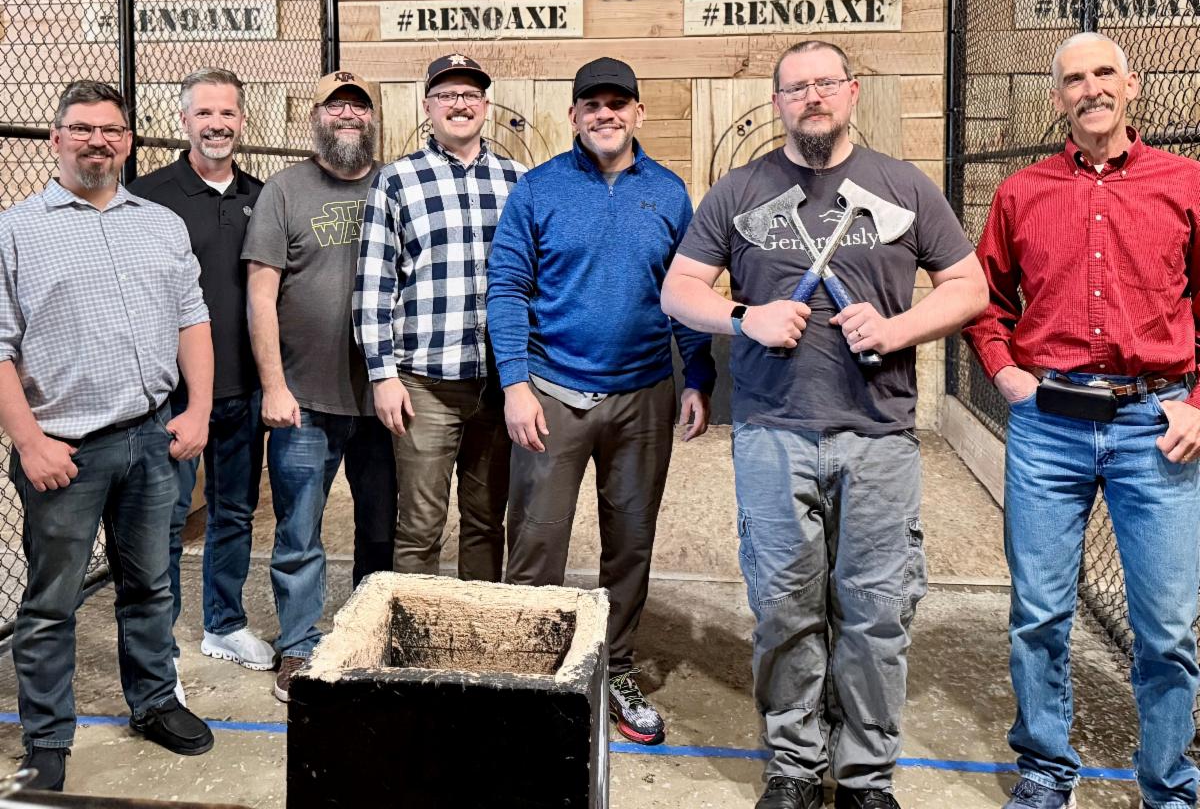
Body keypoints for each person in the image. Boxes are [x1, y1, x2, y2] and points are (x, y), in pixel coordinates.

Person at [661, 40, 987, 809]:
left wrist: (899, 329)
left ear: (852, 92)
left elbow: (969, 287)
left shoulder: (903, 186)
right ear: (777, 102)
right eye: (796, 87)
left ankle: (865, 777)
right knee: (784, 608)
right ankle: (795, 767)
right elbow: (679, 289)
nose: (813, 97)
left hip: (879, 435)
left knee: (876, 612)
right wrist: (744, 317)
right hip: (773, 432)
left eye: (826, 83)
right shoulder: (740, 190)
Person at [963, 31, 1200, 809]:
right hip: (1049, 424)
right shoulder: (1021, 194)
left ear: (1132, 86)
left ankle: (1168, 784)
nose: (1091, 88)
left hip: (1156, 423)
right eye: (1074, 78)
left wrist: (1198, 406)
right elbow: (985, 301)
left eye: (1104, 73)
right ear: (1057, 96)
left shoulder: (1187, 184)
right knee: (1038, 613)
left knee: (1167, 626)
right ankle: (1045, 769)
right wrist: (1004, 372)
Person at [487, 57, 716, 747]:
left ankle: (615, 668)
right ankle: (528, 677)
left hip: (642, 395)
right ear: (574, 116)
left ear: (638, 113)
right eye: (592, 104)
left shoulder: (669, 193)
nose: (605, 114)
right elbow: (507, 288)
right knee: (536, 542)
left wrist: (699, 376)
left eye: (618, 103)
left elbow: (686, 293)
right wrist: (515, 384)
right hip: (552, 393)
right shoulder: (538, 189)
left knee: (631, 542)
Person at [0, 81, 217, 790]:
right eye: (82, 128)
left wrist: (198, 409)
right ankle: (47, 738)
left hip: (151, 439)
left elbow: (192, 319)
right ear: (56, 138)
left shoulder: (159, 224)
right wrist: (29, 443)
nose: (98, 140)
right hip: (64, 450)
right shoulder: (16, 230)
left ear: (128, 140)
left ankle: (154, 702)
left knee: (150, 584)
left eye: (112, 130)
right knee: (51, 601)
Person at [242, 70, 396, 703]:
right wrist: (274, 386)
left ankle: (369, 636)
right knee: (299, 530)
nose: (348, 115)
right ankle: (299, 644)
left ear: (374, 117)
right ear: (316, 117)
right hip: (304, 397)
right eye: (336, 107)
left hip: (385, 396)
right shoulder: (285, 190)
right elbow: (260, 295)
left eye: (359, 106)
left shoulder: (398, 182)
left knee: (381, 528)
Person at [355, 54, 524, 580]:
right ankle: (412, 626)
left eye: (470, 95)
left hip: (498, 384)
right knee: (420, 527)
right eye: (447, 95)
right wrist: (382, 375)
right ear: (427, 106)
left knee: (486, 521)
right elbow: (374, 284)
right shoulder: (396, 181)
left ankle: (473, 621)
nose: (460, 104)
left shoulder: (519, 180)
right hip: (424, 385)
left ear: (486, 106)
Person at [130, 69, 272, 690]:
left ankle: (224, 623)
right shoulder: (147, 196)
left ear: (242, 120)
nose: (217, 124)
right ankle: (157, 647)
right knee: (163, 523)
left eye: (228, 113)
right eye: (205, 114)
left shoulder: (262, 196)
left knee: (234, 512)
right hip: (175, 396)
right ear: (184, 120)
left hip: (243, 389)